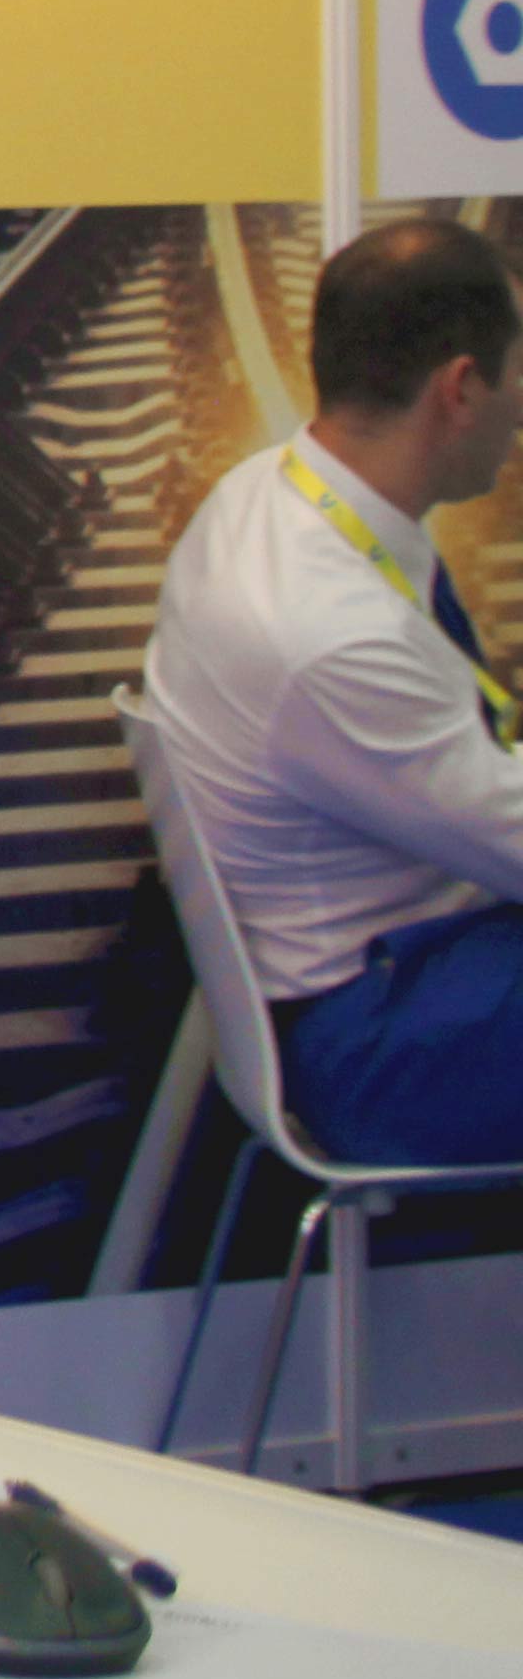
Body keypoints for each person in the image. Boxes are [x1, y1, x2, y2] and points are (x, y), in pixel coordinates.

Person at [138, 215, 523, 1166]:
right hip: (382, 1038)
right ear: (461, 389)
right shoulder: (329, 634)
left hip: (400, 965)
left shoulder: (268, 494)